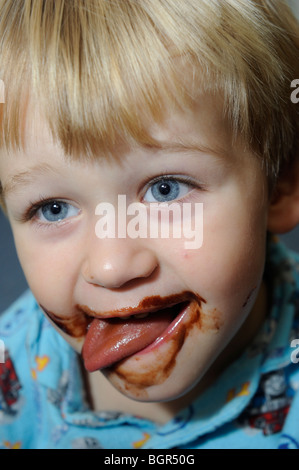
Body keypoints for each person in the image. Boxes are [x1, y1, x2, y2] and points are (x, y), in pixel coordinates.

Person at [0, 0, 299, 450]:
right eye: (54, 208)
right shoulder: (11, 371)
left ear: (281, 186)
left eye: (166, 189)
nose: (111, 266)